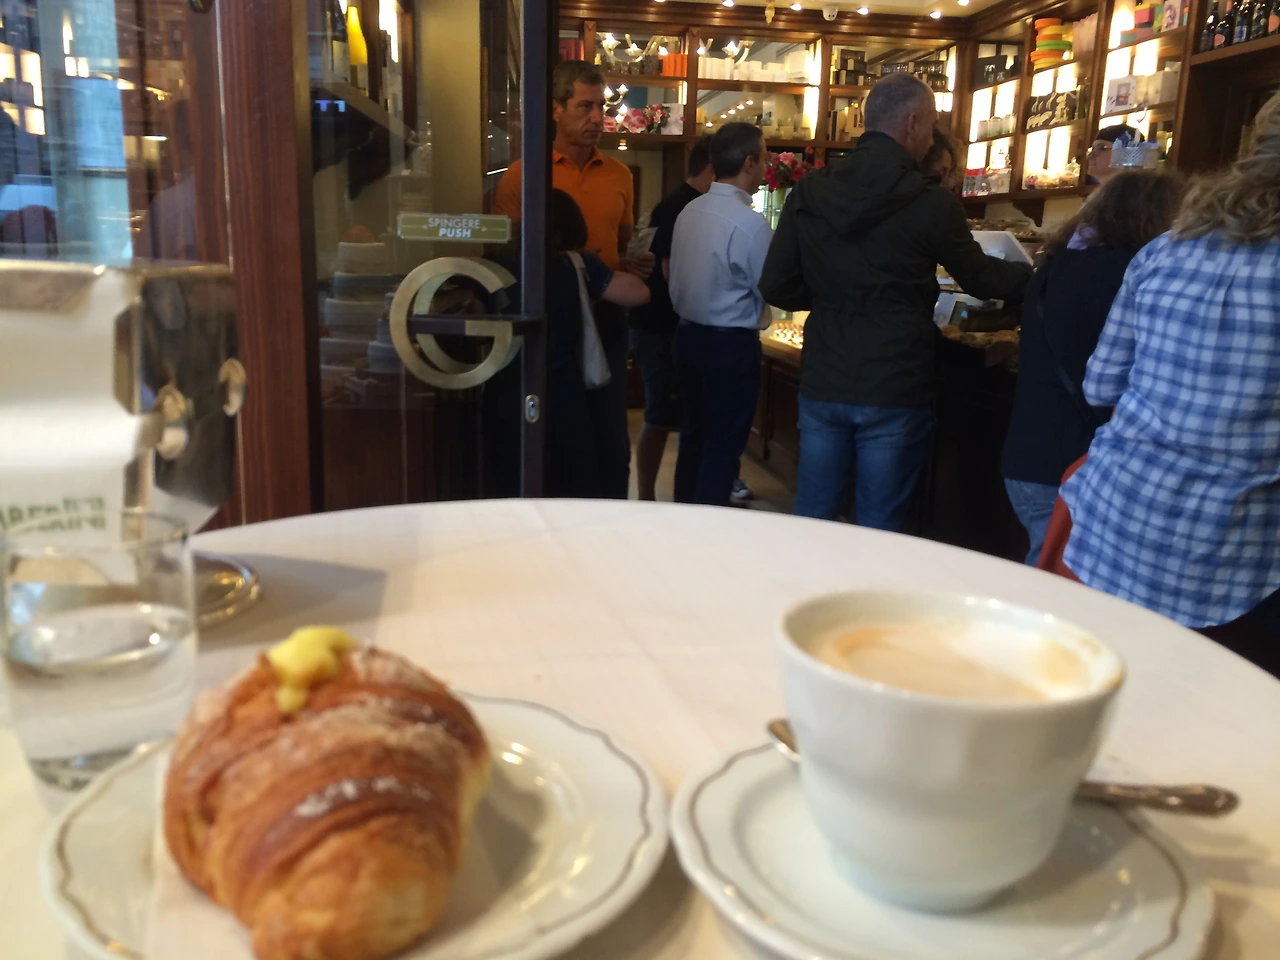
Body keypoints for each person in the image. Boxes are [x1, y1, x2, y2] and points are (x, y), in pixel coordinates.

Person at [1059, 92, 1280, 675]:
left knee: (1098, 685)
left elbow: (1101, 386)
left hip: (1118, 516)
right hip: (1234, 554)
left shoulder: (1165, 249)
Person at [760, 73, 1032, 532]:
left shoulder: (812, 190)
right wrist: (1040, 277)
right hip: (896, 379)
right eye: (931, 125)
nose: (931, 137)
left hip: (826, 374)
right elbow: (982, 278)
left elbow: (777, 285)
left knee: (812, 520)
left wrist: (830, 295)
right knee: (880, 528)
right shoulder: (931, 202)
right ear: (912, 123)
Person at [1000, 170, 1183, 565]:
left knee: (1045, 567)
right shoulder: (1136, 275)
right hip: (1076, 459)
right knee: (1062, 582)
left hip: (1026, 456)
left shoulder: (1054, 265)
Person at [494, 59, 653, 498]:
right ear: (556, 109)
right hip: (548, 322)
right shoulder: (523, 174)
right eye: (585, 106)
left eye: (601, 106)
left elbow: (623, 246)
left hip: (606, 317)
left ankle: (611, 518)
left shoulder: (620, 175)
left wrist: (634, 262)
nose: (597, 117)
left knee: (611, 437)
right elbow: (505, 256)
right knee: (556, 433)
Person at [668, 123, 772, 507]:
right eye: (764, 158)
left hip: (687, 337)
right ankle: (707, 529)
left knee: (693, 439)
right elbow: (771, 288)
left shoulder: (689, 211)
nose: (766, 167)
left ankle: (683, 520)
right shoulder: (751, 225)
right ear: (749, 163)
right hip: (729, 347)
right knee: (722, 448)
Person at [543, 189, 651, 497]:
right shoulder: (578, 265)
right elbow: (638, 293)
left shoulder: (505, 262)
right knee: (578, 469)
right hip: (566, 385)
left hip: (512, 386)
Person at [630, 137, 714, 501]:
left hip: (667, 325)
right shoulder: (680, 205)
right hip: (659, 326)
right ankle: (646, 497)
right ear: (712, 167)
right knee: (660, 415)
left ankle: (676, 493)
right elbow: (669, 271)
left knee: (677, 414)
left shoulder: (686, 202)